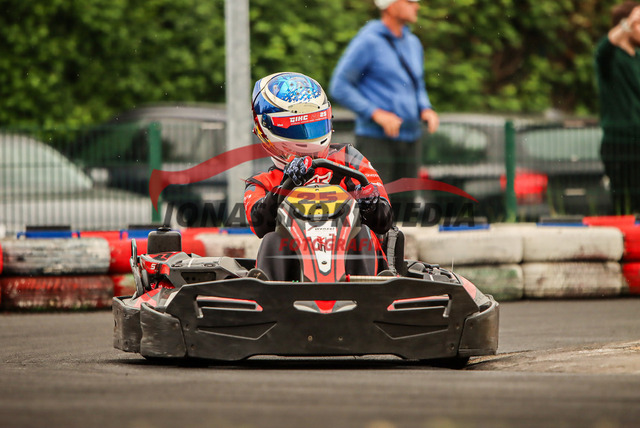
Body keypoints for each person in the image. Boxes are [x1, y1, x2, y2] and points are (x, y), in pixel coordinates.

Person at [244, 72, 393, 281]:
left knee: (362, 234)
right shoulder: (261, 182)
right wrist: (286, 185)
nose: (308, 137)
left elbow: (384, 221)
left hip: (352, 266)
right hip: (293, 274)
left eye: (314, 125)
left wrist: (369, 203)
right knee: (272, 240)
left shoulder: (348, 159)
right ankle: (270, 294)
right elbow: (260, 225)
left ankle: (369, 291)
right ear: (265, 127)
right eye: (296, 129)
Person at [329, 0, 439, 209]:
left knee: (406, 208)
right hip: (376, 140)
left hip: (411, 138)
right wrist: (375, 113)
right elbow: (339, 86)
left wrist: (426, 108)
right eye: (410, 1)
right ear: (390, 5)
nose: (416, 6)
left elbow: (418, 84)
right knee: (376, 207)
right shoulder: (368, 41)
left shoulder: (413, 43)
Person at [595, 1, 640, 214]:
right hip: (619, 144)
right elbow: (603, 50)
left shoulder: (637, 58)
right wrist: (627, 24)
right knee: (621, 205)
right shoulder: (610, 58)